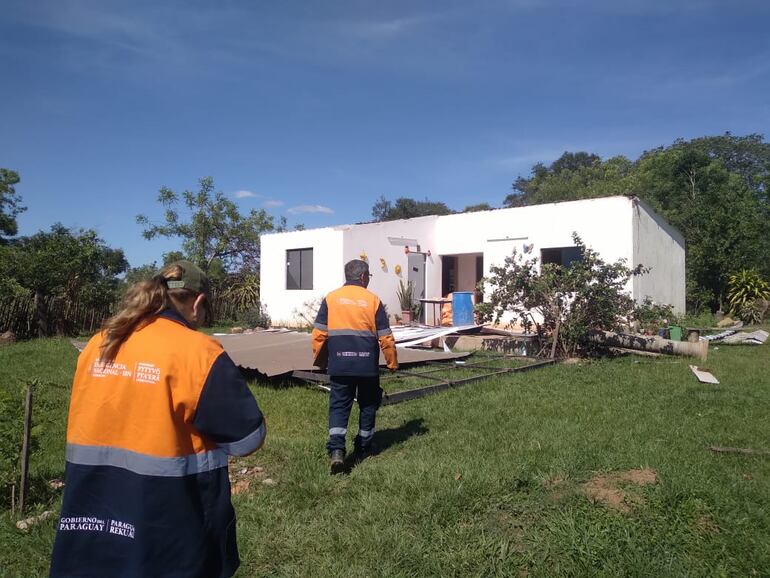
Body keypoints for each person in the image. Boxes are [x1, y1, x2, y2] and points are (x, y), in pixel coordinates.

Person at [50, 260, 266, 578]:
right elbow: (249, 437)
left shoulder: (99, 343)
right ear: (198, 303)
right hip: (169, 533)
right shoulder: (198, 352)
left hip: (89, 530)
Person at [312, 259, 398, 474]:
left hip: (340, 364)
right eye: (368, 276)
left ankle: (337, 451)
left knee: (339, 405)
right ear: (362, 276)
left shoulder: (331, 298)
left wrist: (321, 361)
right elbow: (386, 337)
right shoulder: (373, 300)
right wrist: (392, 362)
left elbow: (319, 334)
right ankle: (364, 446)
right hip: (367, 366)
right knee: (368, 404)